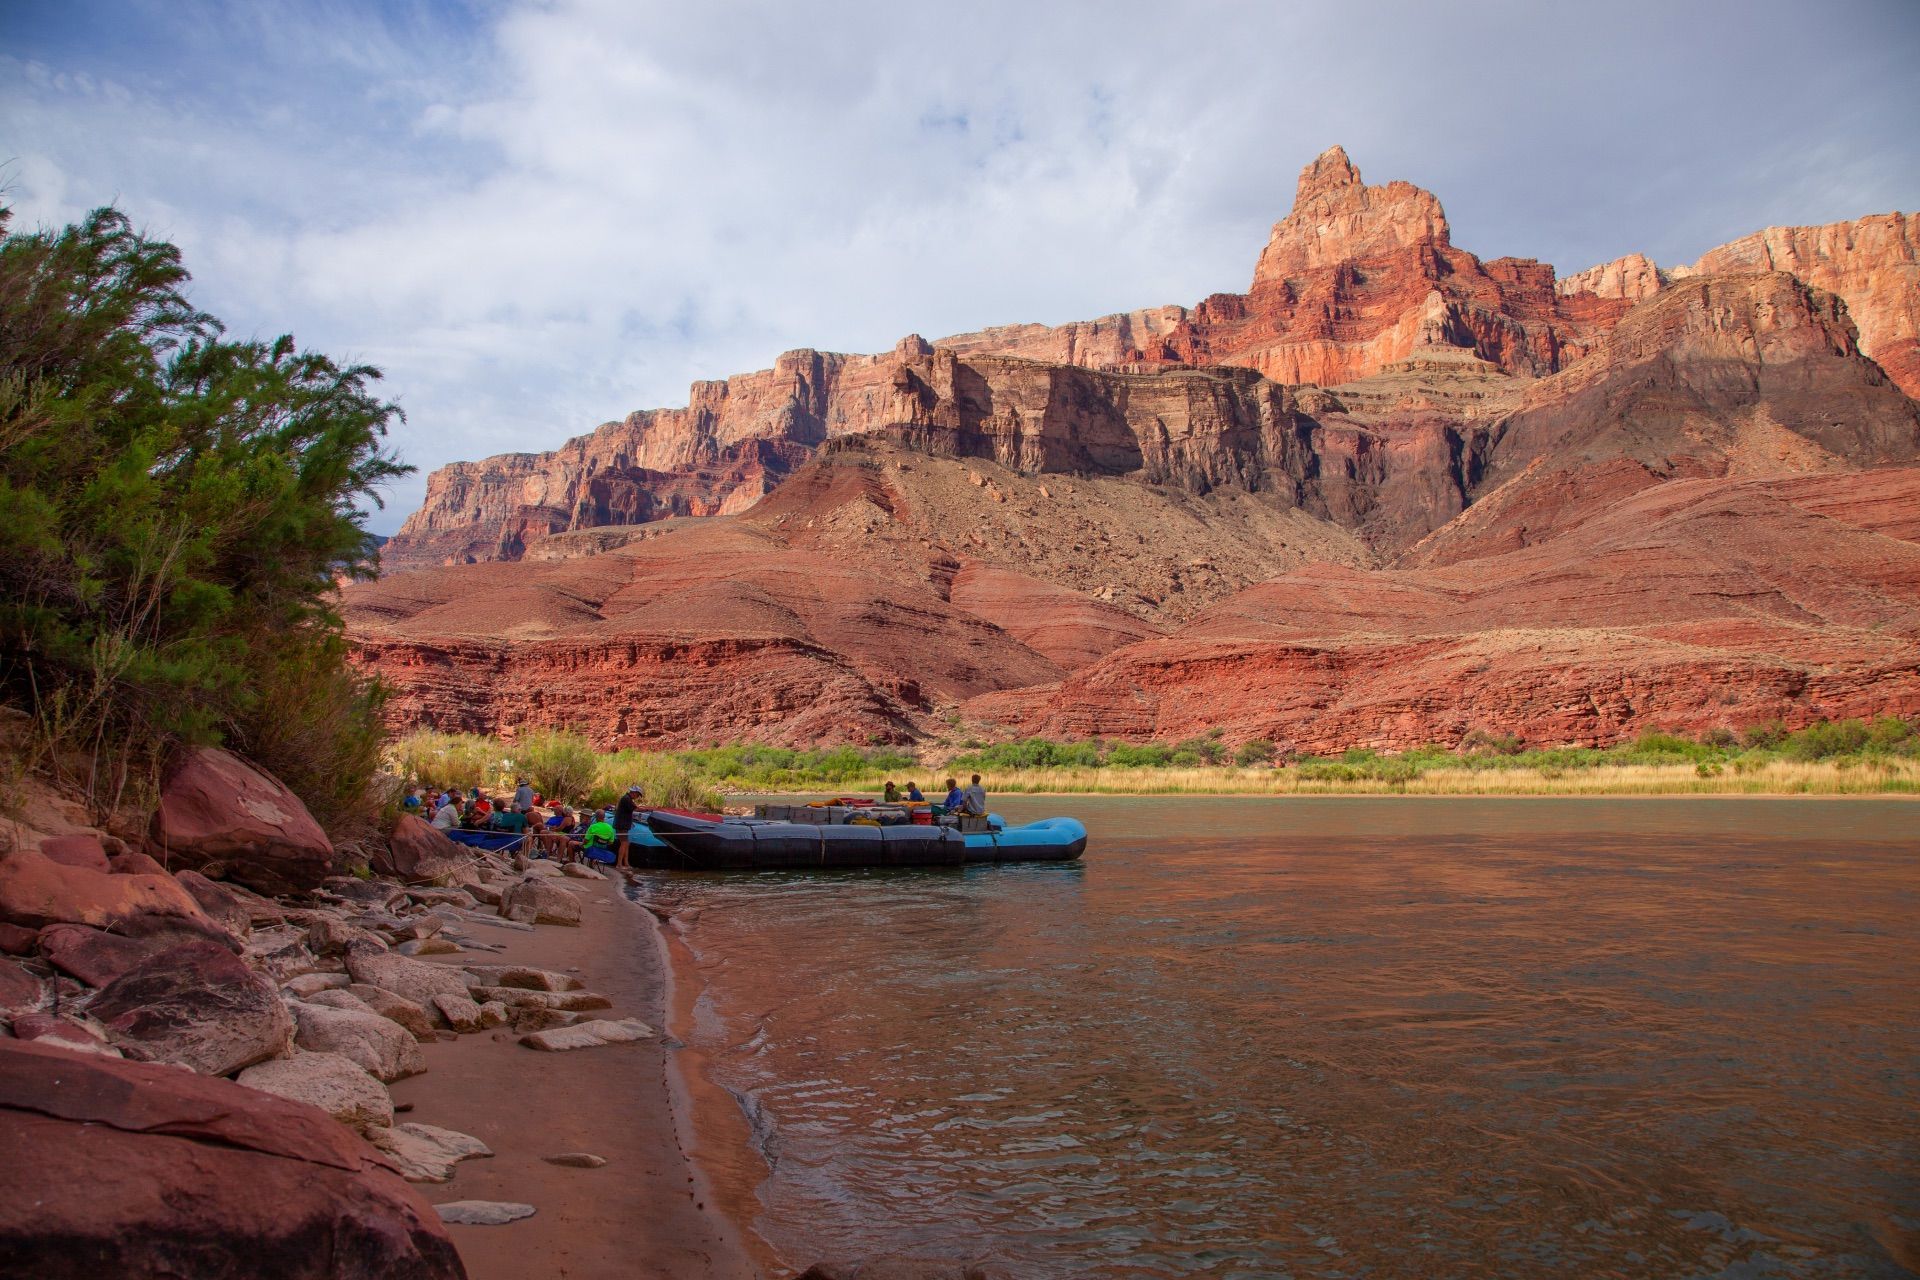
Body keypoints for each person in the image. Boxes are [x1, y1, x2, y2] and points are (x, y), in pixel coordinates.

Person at [613, 784, 643, 870]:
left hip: (623, 825)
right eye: (637, 795)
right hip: (621, 825)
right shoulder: (626, 799)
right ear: (634, 792)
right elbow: (636, 809)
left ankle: (626, 863)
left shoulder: (627, 799)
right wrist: (649, 809)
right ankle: (619, 864)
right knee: (624, 843)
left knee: (627, 843)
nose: (637, 797)